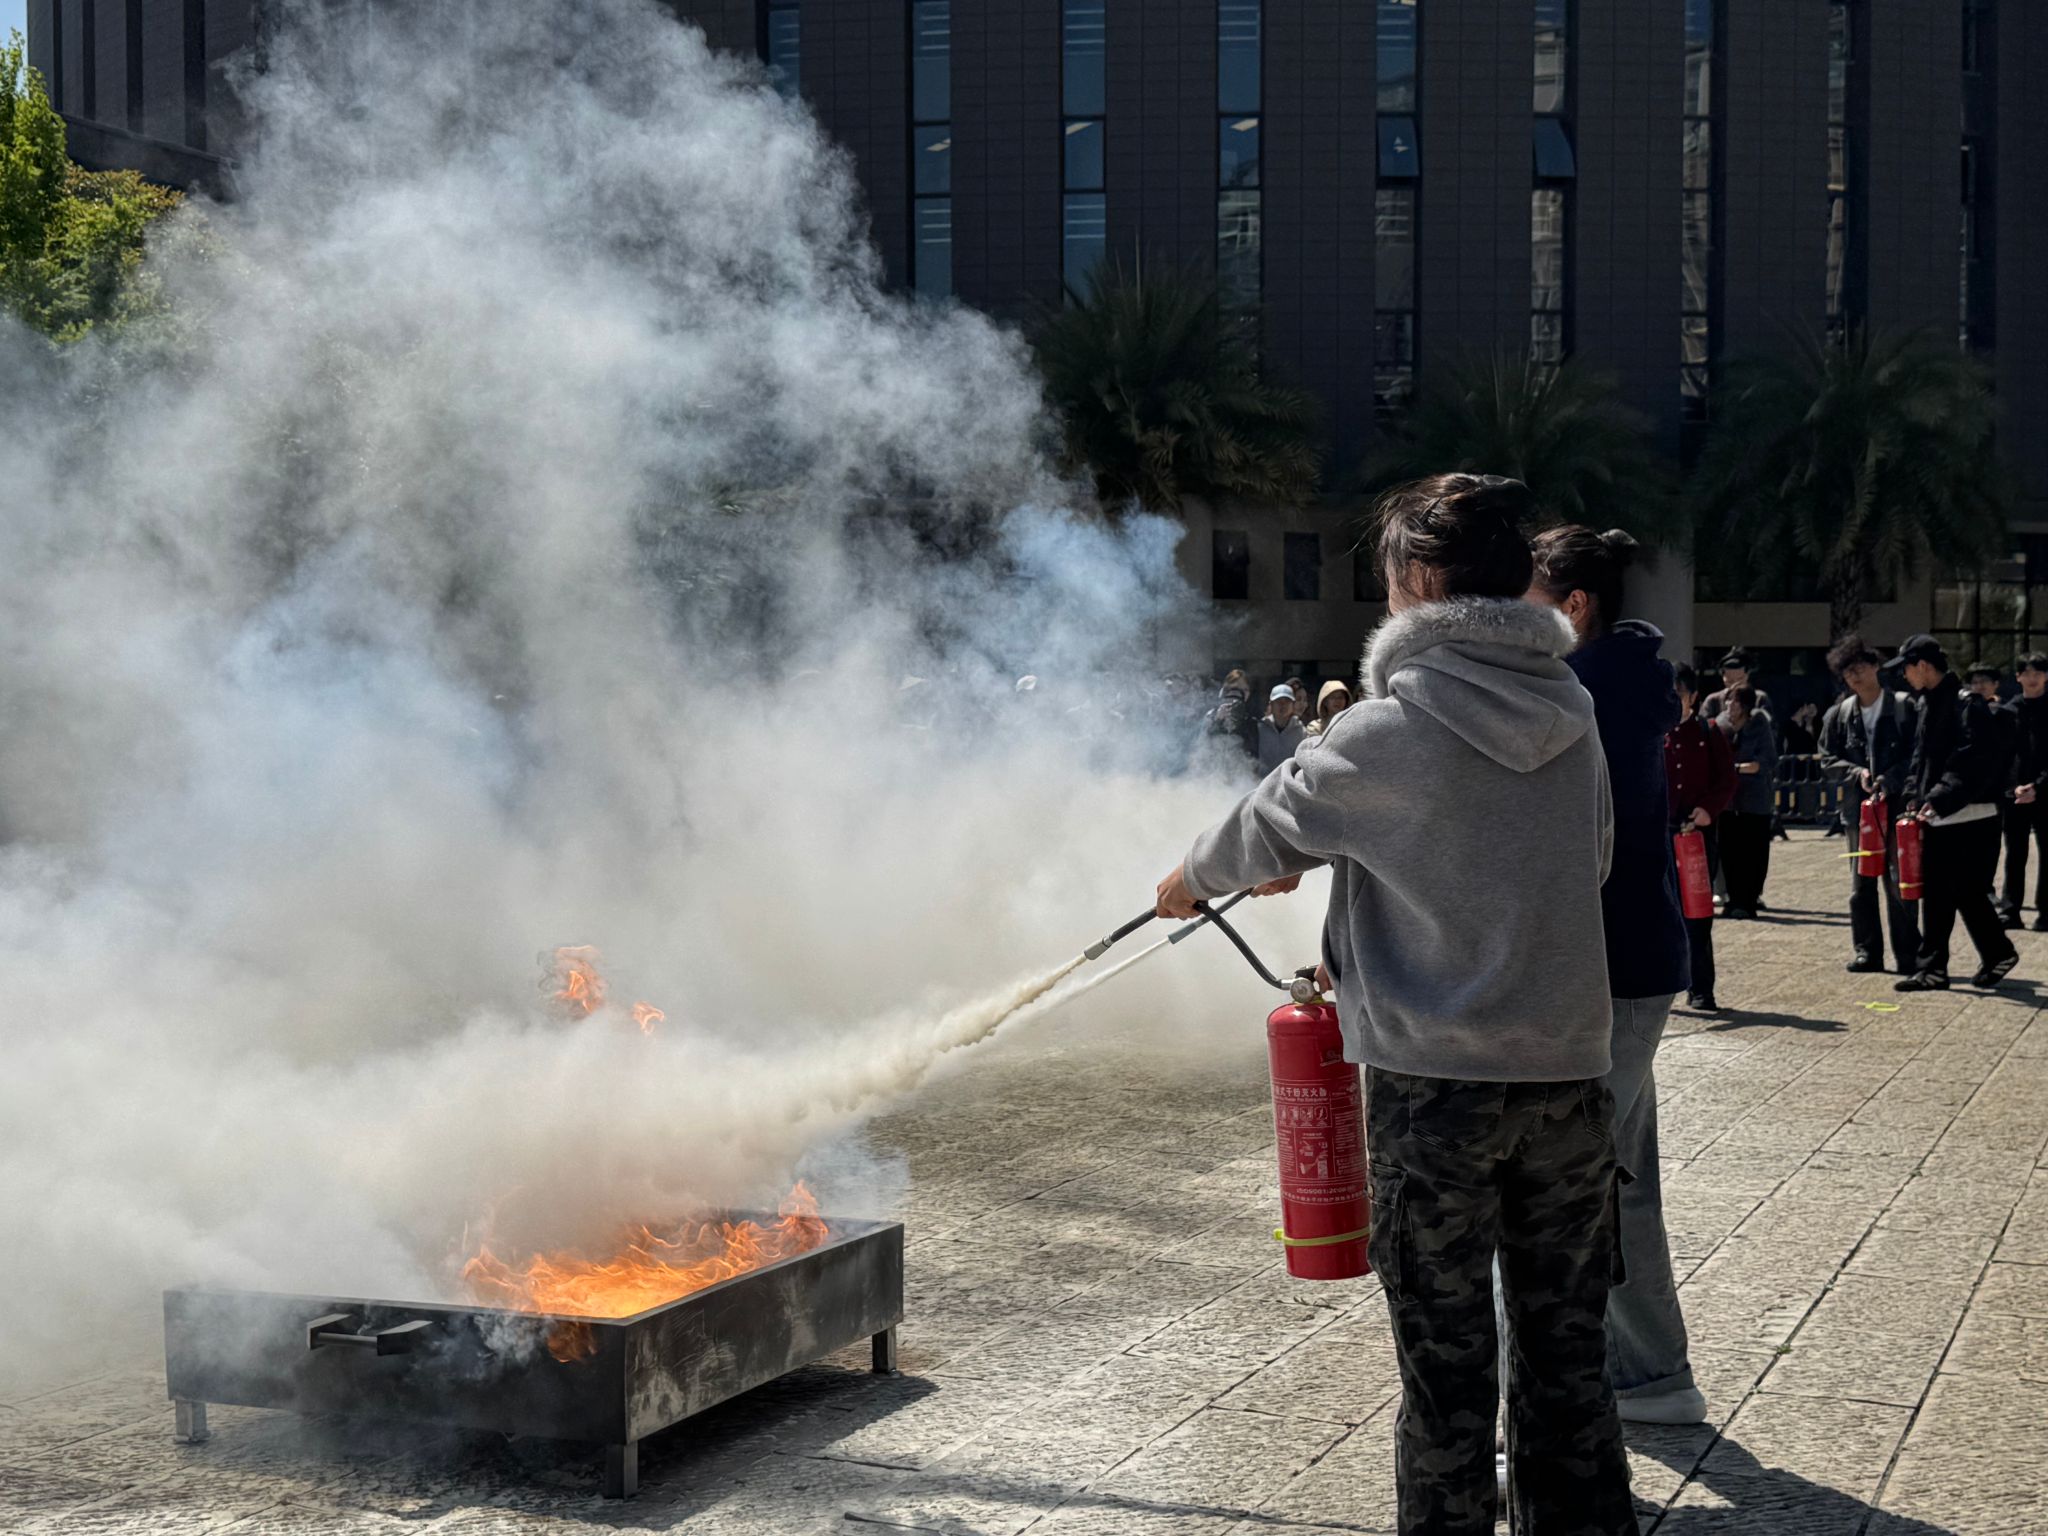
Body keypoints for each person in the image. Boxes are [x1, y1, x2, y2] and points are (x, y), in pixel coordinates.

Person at [1155, 472, 1635, 1536]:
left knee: (1446, 1381)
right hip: (1567, 1075)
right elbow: (1587, 863)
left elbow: (1261, 827)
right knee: (1568, 1368)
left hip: (1436, 1091)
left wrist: (1187, 879)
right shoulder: (1576, 711)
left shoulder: (1388, 726)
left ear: (1419, 578)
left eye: (1386, 573)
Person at [1528, 525, 1703, 1427]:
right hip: (1629, 966)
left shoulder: (1582, 691)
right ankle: (1654, 1379)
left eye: (1524, 597)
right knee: (1619, 1183)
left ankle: (1554, 1408)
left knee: (1552, 1193)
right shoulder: (1619, 680)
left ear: (1575, 604)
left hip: (1609, 971)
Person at [1891, 635, 2020, 991]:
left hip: (1972, 815)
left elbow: (1973, 759)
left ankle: (1950, 963)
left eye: (1906, 668)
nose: (1904, 676)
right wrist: (1913, 796)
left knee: (1960, 891)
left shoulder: (1966, 704)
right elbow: (1921, 759)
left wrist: (1938, 796)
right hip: (1942, 814)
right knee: (1949, 891)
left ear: (1922, 666)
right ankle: (1981, 957)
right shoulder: (1930, 703)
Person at [1817, 636, 1921, 974]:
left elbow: (1917, 754)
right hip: (1858, 811)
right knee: (1861, 882)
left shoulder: (1904, 706)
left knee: (1899, 881)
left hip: (1898, 807)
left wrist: (1890, 779)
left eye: (1860, 668)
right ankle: (1867, 951)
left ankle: (1908, 954)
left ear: (1876, 666)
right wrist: (1856, 773)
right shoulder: (1840, 714)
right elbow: (1826, 758)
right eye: (1848, 672)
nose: (1855, 676)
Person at [1666, 664, 1735, 1011]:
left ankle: (1701, 988)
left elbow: (1727, 780)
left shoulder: (1709, 732)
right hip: (1660, 836)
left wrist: (1708, 809)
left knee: (1697, 915)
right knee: (1660, 913)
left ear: (1693, 697)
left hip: (1697, 837)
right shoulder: (1653, 732)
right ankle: (1661, 986)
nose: (1670, 700)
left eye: (1677, 694)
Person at [1717, 686, 1777, 920]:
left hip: (1755, 800)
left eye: (1735, 702)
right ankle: (1732, 899)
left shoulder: (1760, 724)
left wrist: (1736, 769)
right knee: (1729, 852)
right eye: (1728, 701)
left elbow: (1765, 760)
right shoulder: (1720, 725)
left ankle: (1749, 900)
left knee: (1753, 852)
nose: (1730, 706)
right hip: (1728, 801)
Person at [2000, 653, 2048, 930]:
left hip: (2046, 792)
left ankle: (2046, 912)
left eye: (2038, 673)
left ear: (2046, 676)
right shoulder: (2009, 711)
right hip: (2015, 794)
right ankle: (2010, 910)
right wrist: (2013, 786)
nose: (2032, 678)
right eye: (2026, 673)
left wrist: (2039, 787)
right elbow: (2003, 756)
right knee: (2015, 853)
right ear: (2017, 677)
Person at [1700, 648, 1774, 725]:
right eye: (1730, 681)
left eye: (1739, 680)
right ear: (1723, 677)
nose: (1735, 685)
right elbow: (1703, 727)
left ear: (1747, 675)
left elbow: (1770, 726)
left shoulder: (1759, 698)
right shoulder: (1712, 700)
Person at [1258, 683, 1306, 771]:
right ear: (1271, 704)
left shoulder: (1301, 731)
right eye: (1278, 701)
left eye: (1287, 701)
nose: (1283, 705)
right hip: (1263, 779)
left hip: (1290, 778)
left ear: (1293, 704)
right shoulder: (1260, 728)